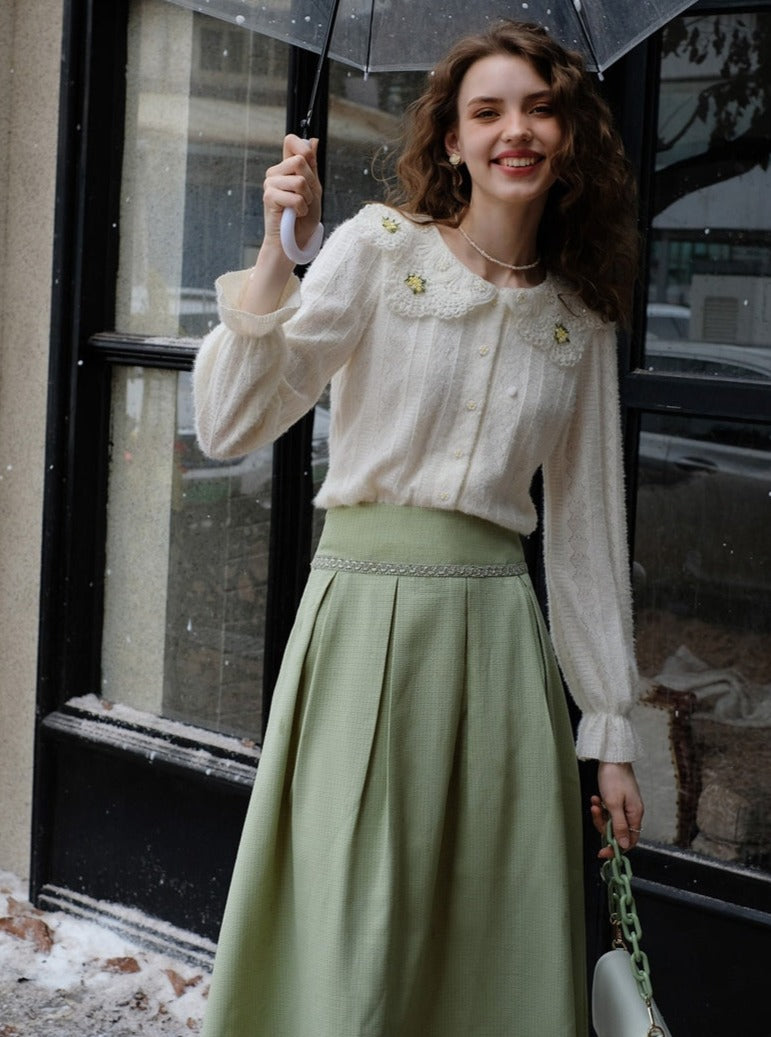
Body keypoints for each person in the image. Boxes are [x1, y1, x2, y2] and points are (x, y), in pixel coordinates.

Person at [194, 19, 644, 1037]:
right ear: (451, 140)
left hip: (497, 655)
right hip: (360, 630)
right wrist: (278, 252)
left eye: (538, 108)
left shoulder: (580, 319)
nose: (514, 131)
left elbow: (583, 542)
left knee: (484, 937)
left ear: (569, 133)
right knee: (349, 932)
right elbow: (228, 421)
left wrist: (610, 732)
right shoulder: (376, 250)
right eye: (486, 111)